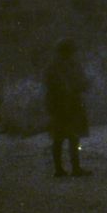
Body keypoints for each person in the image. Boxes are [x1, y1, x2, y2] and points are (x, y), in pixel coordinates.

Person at [44, 38, 90, 177]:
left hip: (71, 105)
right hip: (61, 106)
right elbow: (54, 86)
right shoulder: (54, 68)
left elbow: (82, 83)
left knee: (70, 137)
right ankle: (62, 169)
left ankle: (71, 168)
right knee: (62, 138)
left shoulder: (71, 66)